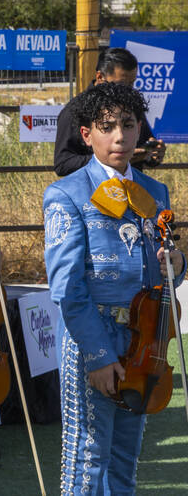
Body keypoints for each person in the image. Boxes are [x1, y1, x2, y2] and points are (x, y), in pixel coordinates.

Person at [43, 81, 185, 493]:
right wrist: (99, 356)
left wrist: (178, 262)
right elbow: (67, 288)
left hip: (145, 340)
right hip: (94, 335)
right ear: (86, 135)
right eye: (107, 127)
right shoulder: (65, 193)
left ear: (141, 129)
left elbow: (165, 263)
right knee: (86, 458)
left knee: (126, 458)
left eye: (128, 124)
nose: (120, 136)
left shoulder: (155, 191)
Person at [53, 47, 164, 176]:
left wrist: (153, 154)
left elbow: (143, 149)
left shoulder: (131, 106)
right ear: (100, 77)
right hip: (92, 192)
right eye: (106, 127)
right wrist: (110, 158)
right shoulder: (74, 111)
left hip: (130, 190)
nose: (127, 90)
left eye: (132, 84)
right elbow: (62, 164)